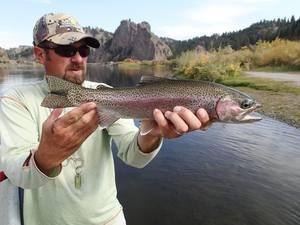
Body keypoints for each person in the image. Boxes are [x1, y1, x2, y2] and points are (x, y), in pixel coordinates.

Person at [0, 13, 210, 225]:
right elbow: (16, 173)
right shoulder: (16, 100)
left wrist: (153, 133)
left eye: (83, 50)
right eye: (66, 50)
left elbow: (133, 156)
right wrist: (45, 157)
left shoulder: (108, 95)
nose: (78, 59)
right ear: (40, 54)